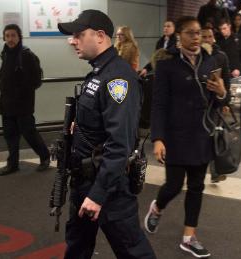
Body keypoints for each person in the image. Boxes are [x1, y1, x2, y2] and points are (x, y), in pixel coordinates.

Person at [57, 9, 156, 259]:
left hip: (107, 187)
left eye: (79, 35)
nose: (72, 40)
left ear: (100, 36)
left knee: (133, 251)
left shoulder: (118, 78)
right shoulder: (98, 72)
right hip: (84, 179)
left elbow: (120, 144)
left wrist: (97, 194)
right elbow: (100, 124)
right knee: (77, 246)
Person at [144, 16, 228, 258]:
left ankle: (189, 237)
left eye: (198, 33)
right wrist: (158, 138)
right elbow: (158, 104)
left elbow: (221, 100)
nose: (196, 38)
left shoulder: (210, 61)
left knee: (196, 186)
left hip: (202, 134)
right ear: (179, 35)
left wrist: (222, 92)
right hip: (176, 136)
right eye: (190, 33)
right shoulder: (167, 64)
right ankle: (157, 207)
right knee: (173, 185)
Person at [0, 24, 50, 176]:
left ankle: (45, 157)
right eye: (7, 36)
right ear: (4, 38)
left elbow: (36, 80)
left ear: (19, 37)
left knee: (29, 132)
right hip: (7, 103)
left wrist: (20, 91)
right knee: (10, 134)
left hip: (22, 104)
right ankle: (12, 164)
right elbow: (2, 74)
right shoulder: (5, 54)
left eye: (13, 35)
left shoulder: (26, 55)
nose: (10, 39)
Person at [201, 27, 231, 183]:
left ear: (214, 38)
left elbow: (226, 81)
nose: (207, 39)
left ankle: (215, 172)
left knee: (214, 137)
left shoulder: (221, 56)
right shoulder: (195, 56)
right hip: (198, 105)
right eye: (203, 36)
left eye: (209, 36)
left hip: (215, 104)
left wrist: (226, 101)